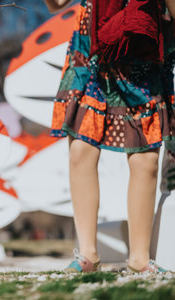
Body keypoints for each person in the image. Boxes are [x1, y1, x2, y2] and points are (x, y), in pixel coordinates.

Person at [44, 0, 175, 272]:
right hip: (92, 43)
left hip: (143, 40)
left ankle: (139, 259)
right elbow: (55, 3)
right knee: (81, 147)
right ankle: (88, 256)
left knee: (146, 159)